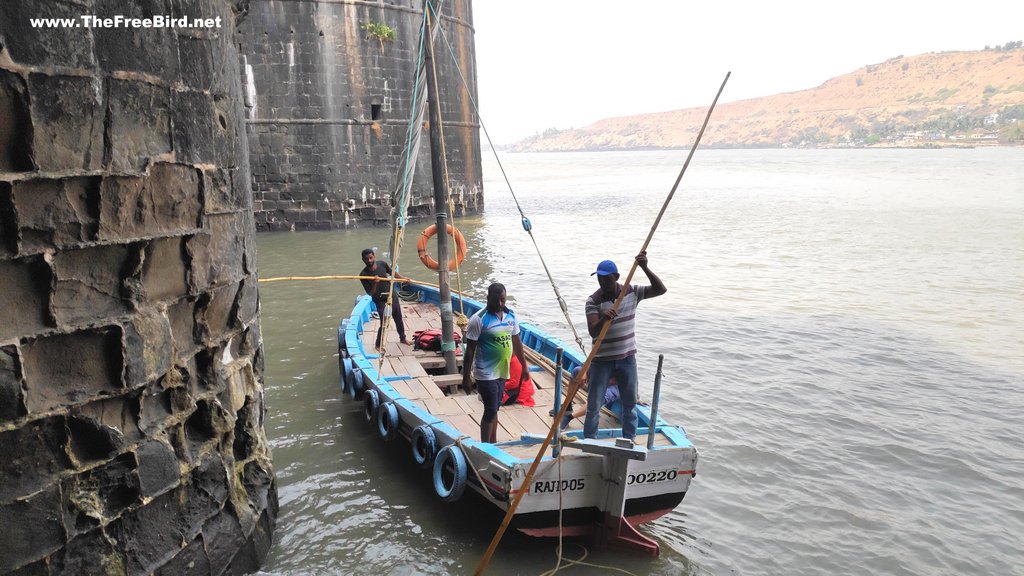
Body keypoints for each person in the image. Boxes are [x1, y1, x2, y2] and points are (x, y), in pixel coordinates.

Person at [583, 251, 666, 441]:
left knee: (630, 404)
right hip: (601, 360)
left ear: (616, 277)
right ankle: (589, 441)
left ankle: (629, 440)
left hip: (627, 358)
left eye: (606, 279)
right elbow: (593, 332)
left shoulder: (631, 292)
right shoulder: (593, 301)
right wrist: (605, 318)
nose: (602, 283)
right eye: (600, 279)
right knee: (594, 405)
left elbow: (660, 289)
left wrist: (645, 267)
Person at [461, 282, 530, 443]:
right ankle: (486, 447)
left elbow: (516, 341)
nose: (499, 304)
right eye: (495, 300)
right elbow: (469, 350)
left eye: (503, 300)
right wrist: (465, 378)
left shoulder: (511, 316)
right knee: (491, 410)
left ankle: (493, 444)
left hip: (502, 371)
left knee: (495, 409)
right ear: (487, 299)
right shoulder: (478, 319)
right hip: (485, 372)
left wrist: (524, 366)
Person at [359, 248, 410, 349]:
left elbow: (392, 272)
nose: (369, 261)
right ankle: (378, 344)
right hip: (380, 301)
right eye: (366, 259)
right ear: (363, 260)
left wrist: (403, 278)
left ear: (374, 257)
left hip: (392, 296)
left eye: (371, 258)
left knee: (398, 319)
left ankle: (403, 338)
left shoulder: (382, 264)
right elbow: (370, 293)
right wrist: (374, 283)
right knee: (384, 323)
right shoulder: (363, 275)